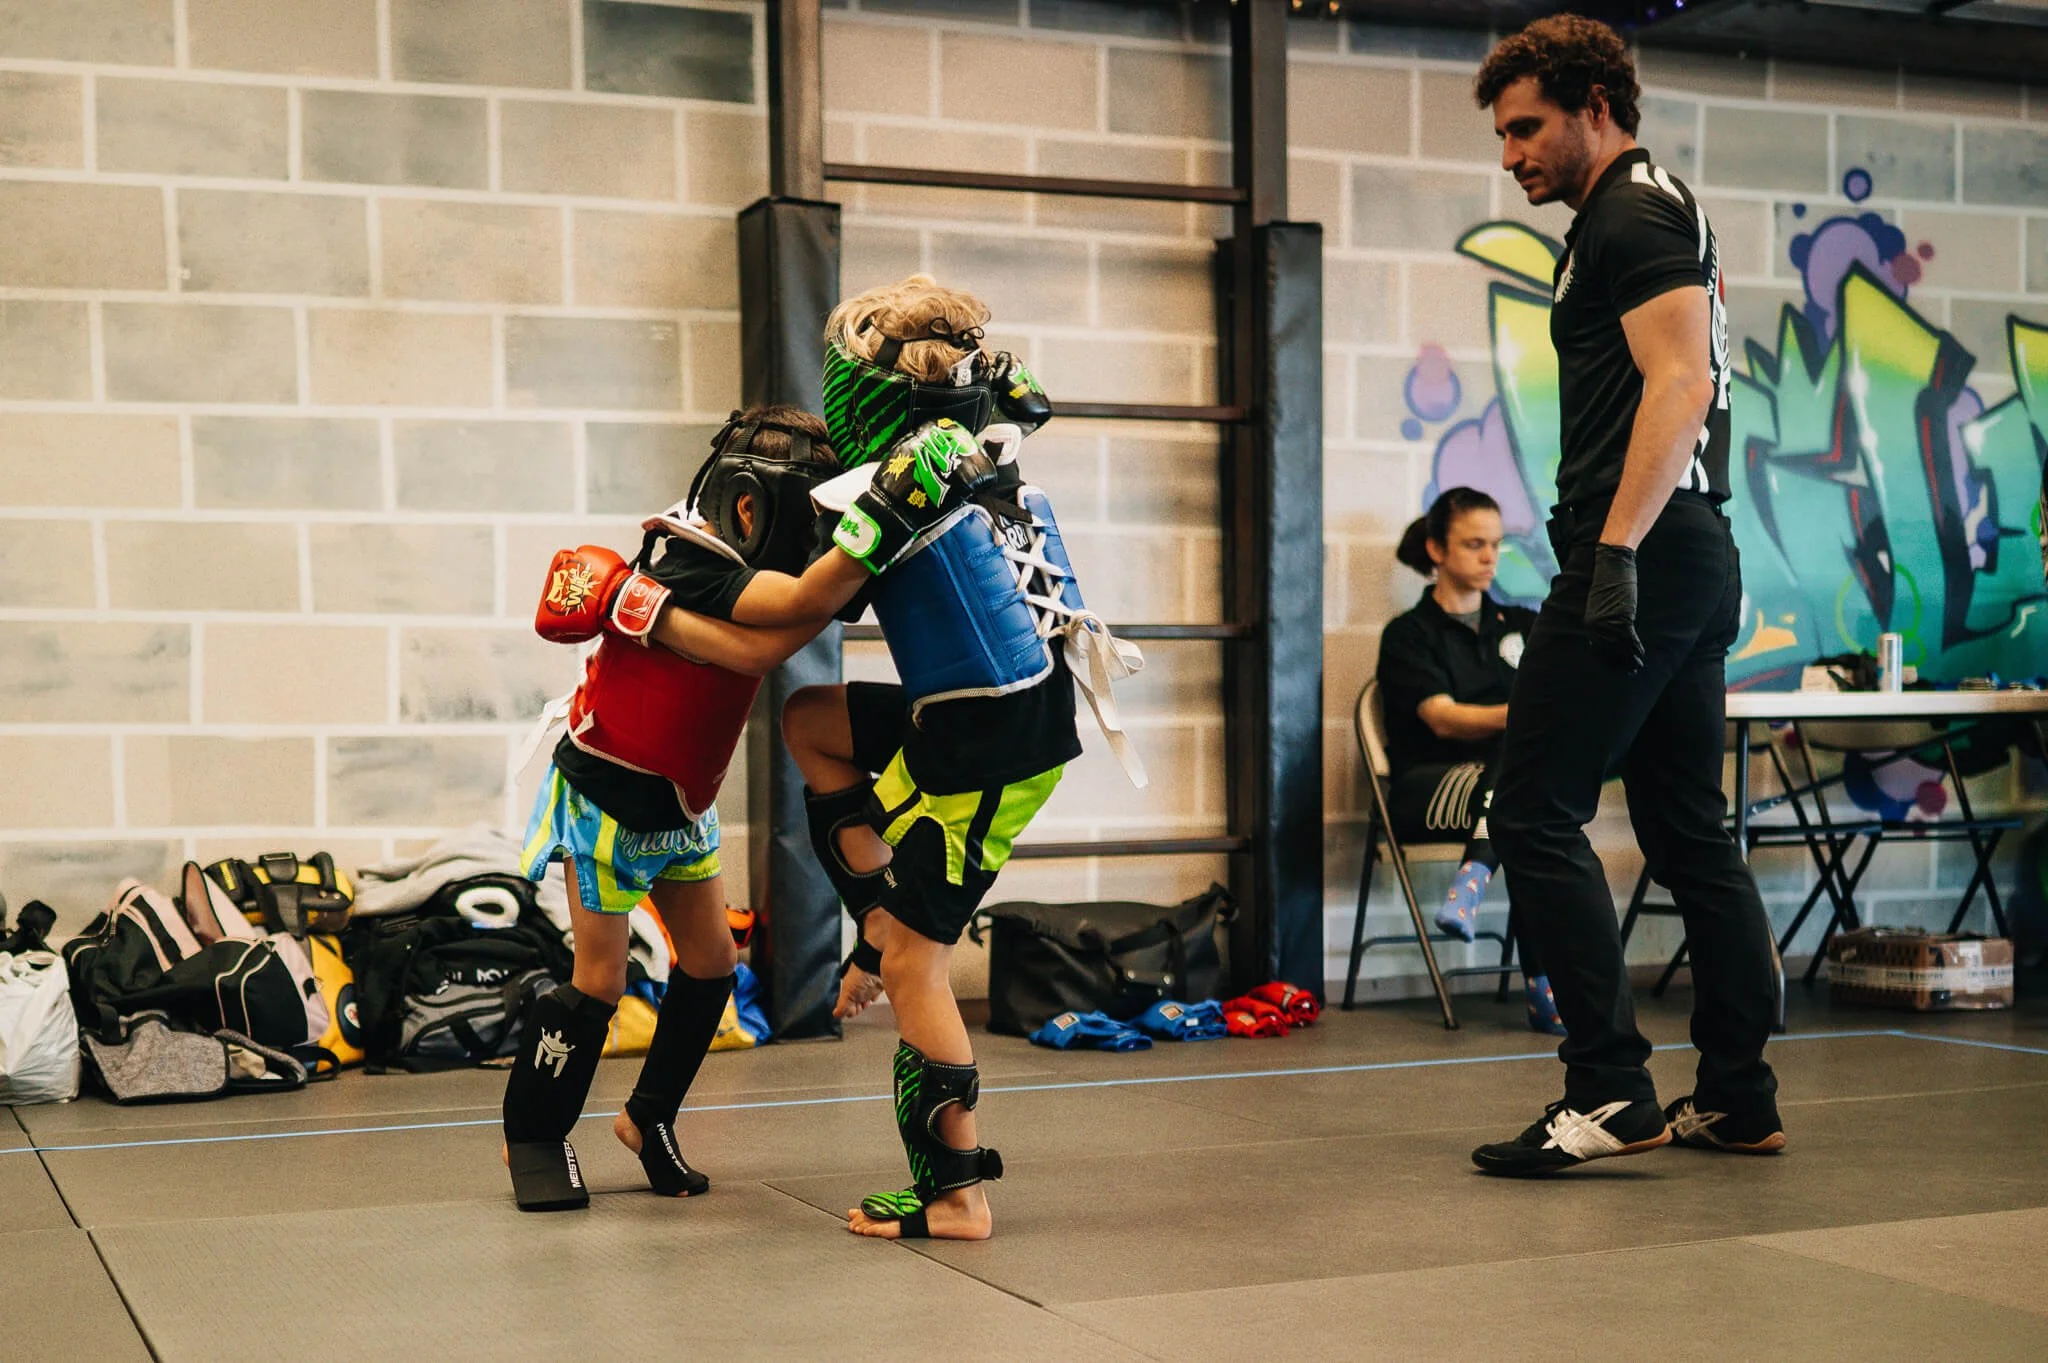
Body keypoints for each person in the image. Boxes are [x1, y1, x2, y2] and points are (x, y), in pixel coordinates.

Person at [502, 404, 976, 1211]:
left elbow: (780, 628)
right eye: (813, 521)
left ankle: (646, 1117)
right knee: (600, 979)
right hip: (607, 796)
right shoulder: (695, 562)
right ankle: (536, 1138)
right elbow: (776, 630)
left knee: (714, 965)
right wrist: (889, 511)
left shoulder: (691, 576)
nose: (818, 543)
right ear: (751, 507)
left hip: (682, 802)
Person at [1467, 15, 1783, 1176]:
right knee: (1686, 827)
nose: (1510, 157)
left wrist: (1610, 556)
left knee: (1532, 809)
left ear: (1594, 103)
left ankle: (1607, 1088)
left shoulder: (1634, 209)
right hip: (1685, 550)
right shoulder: (1628, 209)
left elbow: (1683, 380)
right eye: (1503, 135)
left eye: (1526, 128)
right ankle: (1738, 1094)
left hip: (1646, 550)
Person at [777, 274, 1142, 1241]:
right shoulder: (983, 432)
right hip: (969, 710)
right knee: (811, 723)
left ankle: (956, 1193)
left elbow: (811, 602)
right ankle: (878, 927)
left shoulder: (911, 473)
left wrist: (680, 604)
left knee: (918, 971)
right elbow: (1027, 396)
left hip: (993, 744)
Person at [1376, 487, 1563, 1036]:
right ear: (1436, 549)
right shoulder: (1407, 635)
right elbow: (1443, 718)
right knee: (1525, 771)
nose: (1488, 557)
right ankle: (1543, 987)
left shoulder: (1522, 624)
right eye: (1474, 544)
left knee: (1533, 814)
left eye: (1496, 545)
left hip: (1499, 791)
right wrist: (1526, 714)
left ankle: (1478, 873)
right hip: (1426, 788)